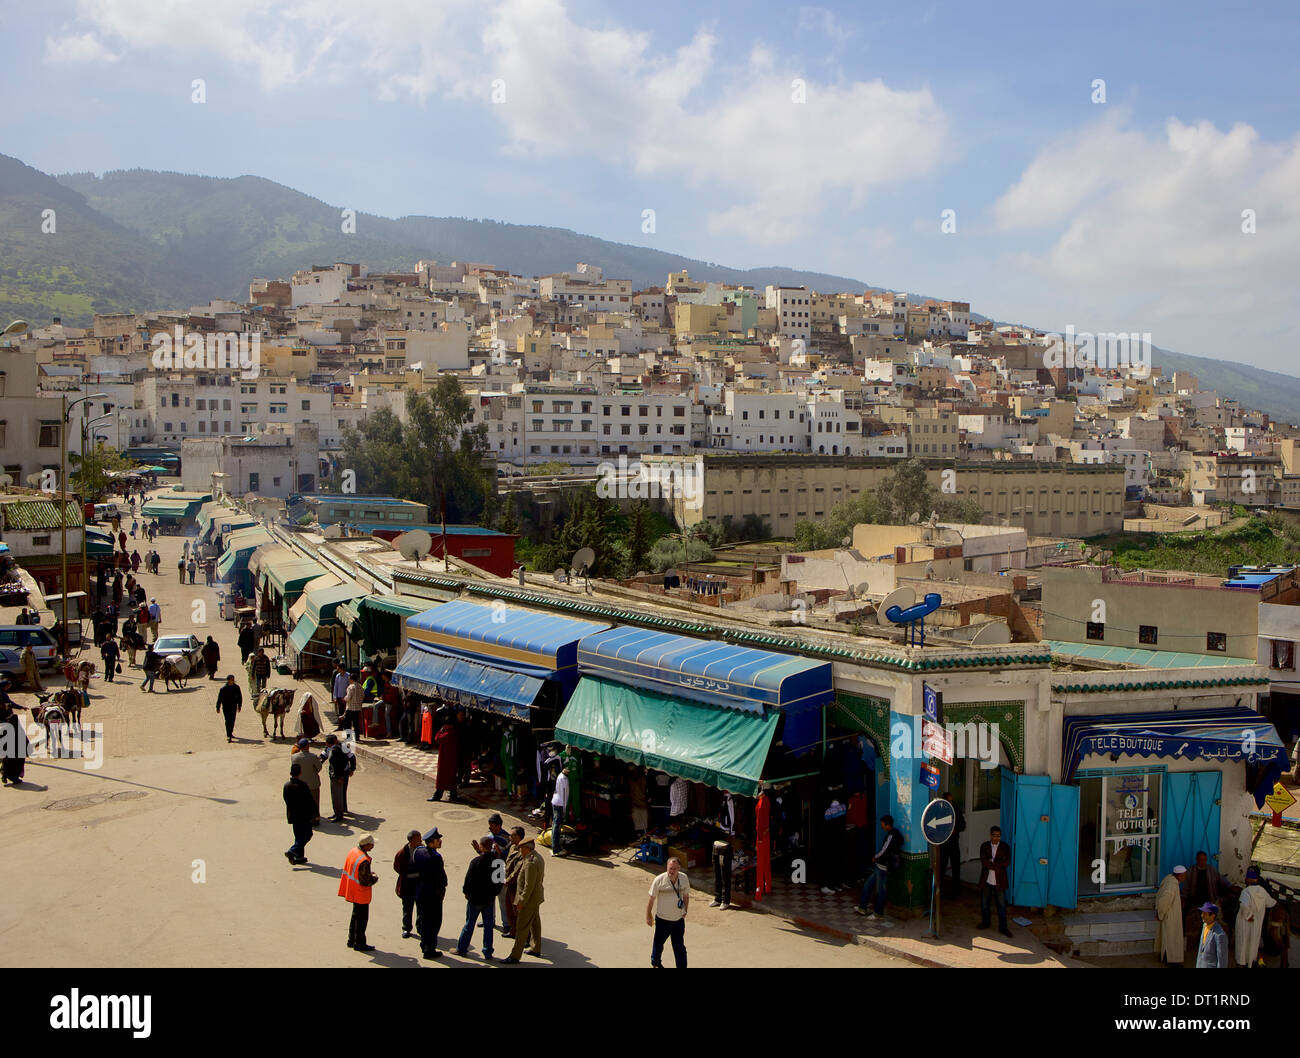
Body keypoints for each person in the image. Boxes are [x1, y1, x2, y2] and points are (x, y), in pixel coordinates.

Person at [457, 835, 504, 959]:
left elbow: (468, 880)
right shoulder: (497, 861)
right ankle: (488, 951)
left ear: (482, 846)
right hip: (489, 899)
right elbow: (499, 882)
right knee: (489, 927)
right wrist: (493, 893)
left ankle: (462, 948)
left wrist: (466, 893)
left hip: (475, 899)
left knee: (469, 924)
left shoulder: (476, 861)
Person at [502, 834, 545, 963]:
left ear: (527, 848)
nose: (520, 851)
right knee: (535, 924)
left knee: (522, 928)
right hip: (536, 897)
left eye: (521, 848)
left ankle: (515, 956)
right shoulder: (537, 857)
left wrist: (521, 902)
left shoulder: (530, 863)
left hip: (529, 900)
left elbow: (528, 886)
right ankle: (535, 948)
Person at [855, 815, 902, 921]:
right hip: (879, 866)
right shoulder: (893, 834)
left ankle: (878, 913)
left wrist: (876, 857)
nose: (881, 826)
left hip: (883, 866)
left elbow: (885, 850)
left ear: (887, 824)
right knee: (868, 885)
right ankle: (862, 907)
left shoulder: (891, 835)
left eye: (882, 824)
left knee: (881, 890)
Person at [647, 857, 689, 968]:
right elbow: (651, 899)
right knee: (658, 944)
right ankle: (655, 962)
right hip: (662, 920)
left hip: (678, 921)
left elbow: (686, 896)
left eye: (674, 869)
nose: (671, 871)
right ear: (667, 867)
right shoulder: (659, 880)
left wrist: (685, 910)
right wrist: (649, 915)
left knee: (679, 948)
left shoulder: (684, 878)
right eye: (670, 868)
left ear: (679, 868)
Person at [339, 835, 379, 952]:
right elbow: (366, 880)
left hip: (352, 889)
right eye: (371, 844)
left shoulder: (353, 852)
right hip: (361, 893)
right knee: (361, 920)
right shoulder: (364, 860)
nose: (373, 846)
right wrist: (375, 877)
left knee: (355, 917)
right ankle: (359, 943)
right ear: (366, 845)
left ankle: (351, 940)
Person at [413, 828, 448, 959]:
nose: (440, 841)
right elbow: (440, 877)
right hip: (433, 894)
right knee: (434, 922)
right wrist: (442, 888)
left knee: (424, 920)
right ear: (431, 842)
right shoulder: (436, 857)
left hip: (421, 891)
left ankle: (424, 944)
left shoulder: (419, 851)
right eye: (438, 840)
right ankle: (430, 949)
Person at [1235, 866, 1277, 968]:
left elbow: (1244, 906)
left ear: (1247, 879)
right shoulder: (1263, 891)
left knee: (1243, 943)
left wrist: (1249, 916)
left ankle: (1242, 964)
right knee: (1253, 944)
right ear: (1257, 879)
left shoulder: (1246, 892)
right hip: (1256, 925)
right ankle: (1250, 963)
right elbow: (1271, 903)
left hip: (1245, 924)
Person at [977, 824, 1013, 937]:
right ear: (990, 836)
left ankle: (1003, 927)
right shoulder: (985, 846)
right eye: (994, 835)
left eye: (999, 836)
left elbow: (1006, 862)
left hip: (1000, 880)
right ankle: (986, 922)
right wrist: (996, 863)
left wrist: (992, 863)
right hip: (987, 880)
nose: (997, 838)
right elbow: (984, 862)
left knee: (1001, 905)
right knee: (984, 903)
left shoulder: (1005, 847)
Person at [1183, 851, 1223, 945]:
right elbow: (1186, 886)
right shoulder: (1191, 871)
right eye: (1201, 860)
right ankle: (1187, 938)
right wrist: (1184, 897)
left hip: (1208, 900)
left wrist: (1230, 886)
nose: (1203, 862)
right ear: (1197, 860)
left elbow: (1221, 879)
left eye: (1204, 860)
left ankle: (1209, 941)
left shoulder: (1211, 870)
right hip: (1194, 899)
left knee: (1210, 920)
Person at [283, 762, 316, 865]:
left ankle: (299, 856)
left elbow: (286, 799)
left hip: (293, 815)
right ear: (300, 773)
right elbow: (310, 801)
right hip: (304, 815)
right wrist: (315, 813)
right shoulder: (303, 786)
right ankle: (292, 851)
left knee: (298, 836)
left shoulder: (287, 786)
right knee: (307, 834)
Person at [393, 829, 423, 938]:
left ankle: (420, 928)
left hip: (420, 884)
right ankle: (406, 928)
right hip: (407, 884)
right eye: (418, 840)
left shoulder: (422, 850)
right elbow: (397, 867)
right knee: (407, 908)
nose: (420, 842)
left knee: (421, 907)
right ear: (411, 841)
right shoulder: (402, 853)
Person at [1155, 865, 1187, 966]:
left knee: (1168, 937)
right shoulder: (1171, 885)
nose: (1185, 877)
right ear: (1180, 875)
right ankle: (1172, 960)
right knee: (1171, 938)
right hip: (1170, 916)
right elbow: (1164, 901)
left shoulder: (1169, 880)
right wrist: (1161, 913)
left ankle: (1166, 957)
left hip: (1170, 914)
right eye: (1184, 875)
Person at [711, 791, 736, 908]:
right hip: (720, 831)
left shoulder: (730, 800)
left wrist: (732, 830)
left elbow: (732, 815)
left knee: (724, 872)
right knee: (717, 872)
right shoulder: (722, 798)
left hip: (727, 833)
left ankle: (725, 900)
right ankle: (717, 897)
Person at [939, 791, 965, 897]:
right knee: (941, 868)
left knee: (955, 868)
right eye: (948, 800)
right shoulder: (940, 811)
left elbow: (963, 825)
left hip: (954, 843)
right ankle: (939, 890)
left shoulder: (956, 810)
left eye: (951, 800)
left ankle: (955, 891)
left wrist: (955, 829)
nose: (950, 802)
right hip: (944, 844)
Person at [501, 826, 526, 938]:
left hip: (516, 884)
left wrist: (508, 880)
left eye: (512, 835)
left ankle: (524, 935)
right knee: (509, 909)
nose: (509, 837)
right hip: (509, 883)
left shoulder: (523, 850)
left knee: (518, 912)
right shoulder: (512, 847)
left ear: (518, 837)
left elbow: (518, 869)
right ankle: (513, 930)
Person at [291, 737, 322, 824]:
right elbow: (319, 768)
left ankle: (304, 819)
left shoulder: (294, 757)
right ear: (307, 746)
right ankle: (314, 819)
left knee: (302, 803)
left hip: (300, 785)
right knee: (314, 802)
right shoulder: (313, 757)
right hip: (313, 784)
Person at [323, 733, 353, 821]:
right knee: (337, 794)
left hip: (342, 774)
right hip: (338, 774)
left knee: (340, 793)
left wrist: (352, 769)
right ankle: (338, 811)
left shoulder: (341, 748)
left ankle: (341, 812)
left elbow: (351, 758)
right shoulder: (330, 748)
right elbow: (324, 755)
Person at [0, 699, 29, 786]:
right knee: (16, 762)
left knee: (6, 760)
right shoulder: (16, 724)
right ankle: (14, 778)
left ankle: (5, 775)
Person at [428, 721, 458, 802]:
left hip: (446, 760)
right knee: (451, 779)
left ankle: (438, 796)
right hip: (450, 760)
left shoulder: (448, 734)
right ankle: (453, 795)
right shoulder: (453, 733)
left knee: (442, 778)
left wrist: (440, 731)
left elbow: (438, 739)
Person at [1195, 902, 1229, 968]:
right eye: (1202, 913)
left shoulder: (1219, 935)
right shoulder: (1204, 926)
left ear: (1213, 915)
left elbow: (1222, 960)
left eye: (1205, 913)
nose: (1202, 915)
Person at [550, 764, 571, 857]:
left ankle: (554, 846)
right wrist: (564, 808)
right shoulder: (565, 779)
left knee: (555, 825)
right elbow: (564, 794)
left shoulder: (559, 776)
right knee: (557, 827)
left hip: (555, 801)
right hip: (560, 803)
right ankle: (556, 849)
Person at [216, 674, 242, 742]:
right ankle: (228, 735)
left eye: (233, 680)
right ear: (228, 680)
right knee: (227, 721)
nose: (233, 681)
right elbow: (219, 699)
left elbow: (240, 697)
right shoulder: (223, 689)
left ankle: (230, 732)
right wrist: (218, 707)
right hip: (226, 707)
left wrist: (239, 706)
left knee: (232, 720)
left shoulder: (236, 688)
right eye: (231, 680)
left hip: (233, 707)